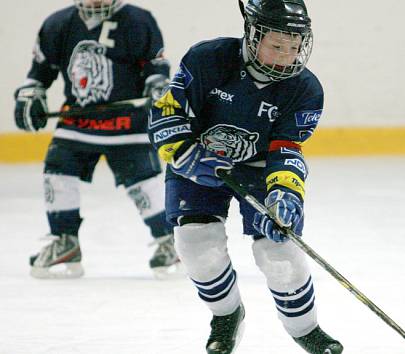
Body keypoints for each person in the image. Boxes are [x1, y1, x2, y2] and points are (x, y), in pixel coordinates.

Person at [147, 0, 344, 353]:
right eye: (276, 45)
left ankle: (306, 330)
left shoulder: (305, 89)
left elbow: (285, 150)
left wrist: (286, 194)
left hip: (258, 169)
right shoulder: (207, 59)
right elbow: (167, 112)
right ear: (252, 36)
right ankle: (226, 316)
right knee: (196, 245)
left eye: (295, 47)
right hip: (198, 162)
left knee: (280, 255)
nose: (287, 56)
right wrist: (183, 154)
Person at [14, 0, 178, 279]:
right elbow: (40, 72)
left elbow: (155, 66)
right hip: (79, 121)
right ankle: (65, 240)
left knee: (145, 184)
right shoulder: (58, 23)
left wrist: (157, 86)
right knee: (57, 171)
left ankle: (170, 242)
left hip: (127, 121)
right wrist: (31, 95)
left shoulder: (138, 20)